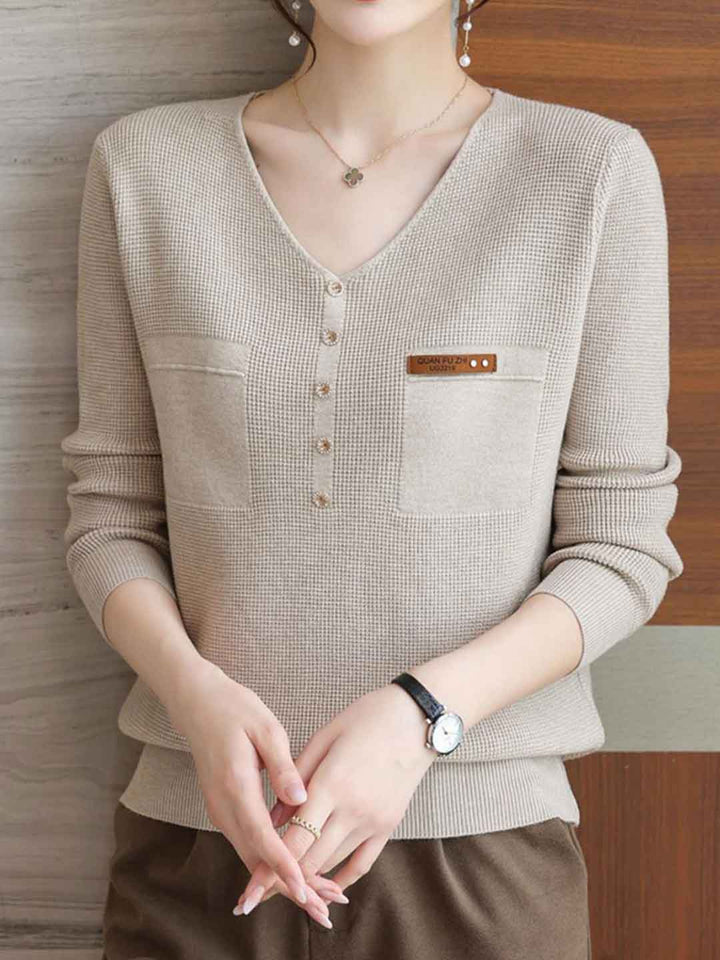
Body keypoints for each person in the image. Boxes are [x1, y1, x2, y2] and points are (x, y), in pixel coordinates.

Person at [60, 0, 684, 957]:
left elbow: (622, 547)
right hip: (195, 855)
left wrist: (423, 716)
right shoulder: (146, 167)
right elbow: (111, 518)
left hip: (479, 868)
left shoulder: (589, 172)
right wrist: (192, 696)